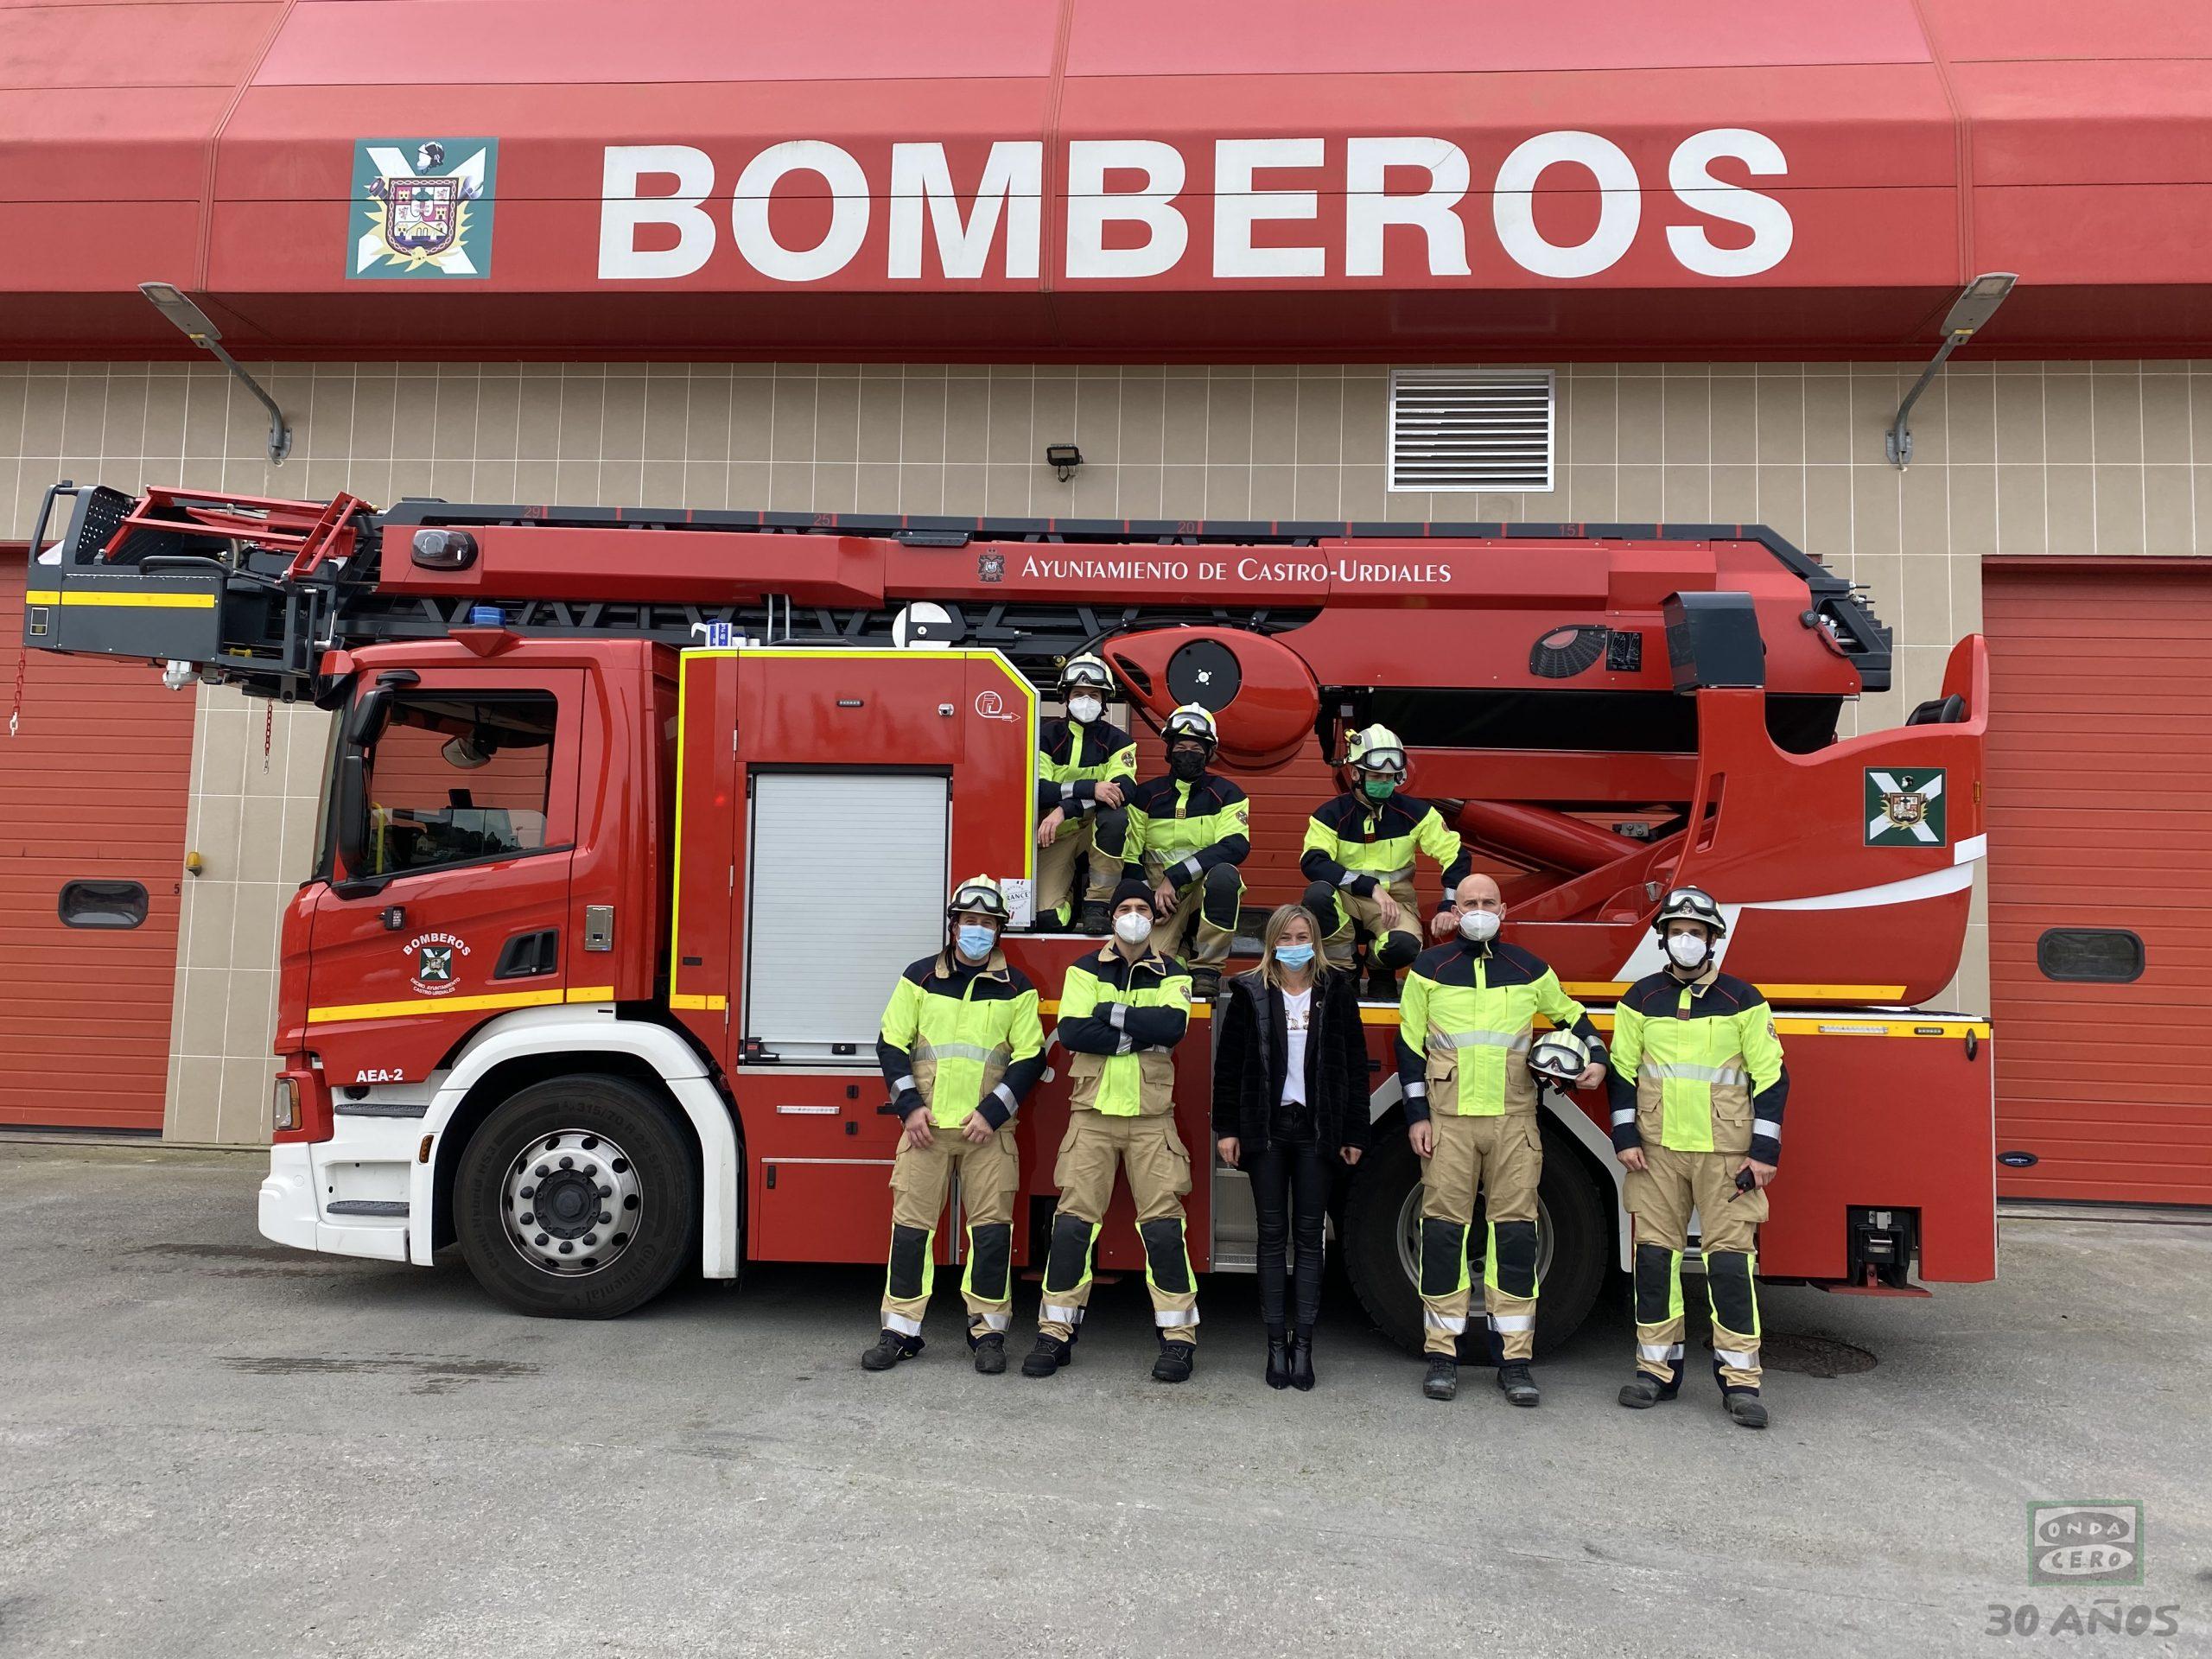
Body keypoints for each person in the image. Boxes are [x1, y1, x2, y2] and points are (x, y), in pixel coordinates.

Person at [1396, 873, 1607, 1407]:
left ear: (1504, 910)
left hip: (1515, 1122)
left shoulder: (1530, 968)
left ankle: (1514, 1360)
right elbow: (1409, 1048)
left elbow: (1575, 1017)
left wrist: (1598, 1060)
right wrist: (1417, 1116)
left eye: (1488, 902)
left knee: (1515, 1236)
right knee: (1442, 1233)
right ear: (1454, 911)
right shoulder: (1428, 969)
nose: (1479, 910)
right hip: (1448, 1122)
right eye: (1469, 902)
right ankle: (1442, 1355)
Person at [1608, 886, 1788, 1429]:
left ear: (1712, 940)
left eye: (1696, 932)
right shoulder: (1640, 998)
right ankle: (1655, 1372)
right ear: (1663, 939)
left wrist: (1764, 1151)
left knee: (1731, 1265)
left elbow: (1771, 1076)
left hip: (1727, 1157)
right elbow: (1621, 1071)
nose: (1686, 940)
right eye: (1677, 931)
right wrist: (1625, 1137)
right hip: (1656, 1154)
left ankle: (1741, 1382)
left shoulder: (1744, 1000)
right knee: (1654, 1261)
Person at [861, 875, 1046, 1376]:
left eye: (987, 922)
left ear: (999, 929)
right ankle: (900, 1332)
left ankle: (988, 1333)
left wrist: (993, 1112)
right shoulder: (918, 977)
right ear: (954, 925)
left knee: (991, 1234)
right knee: (911, 1232)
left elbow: (1031, 1057)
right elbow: (891, 1043)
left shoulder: (1017, 987)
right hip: (925, 1130)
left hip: (989, 1133)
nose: (978, 929)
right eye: (969, 920)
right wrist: (909, 1107)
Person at [1024, 879, 1200, 1383]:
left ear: (1154, 916)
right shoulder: (1083, 969)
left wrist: (1110, 1014)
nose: (1134, 915)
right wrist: (1135, 1031)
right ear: (1113, 916)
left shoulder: (1173, 971)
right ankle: (1054, 1333)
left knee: (1164, 1229)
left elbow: (1172, 1028)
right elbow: (1074, 1032)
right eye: (1125, 907)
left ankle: (1178, 1339)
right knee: (1073, 1226)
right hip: (1092, 1118)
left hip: (1151, 1121)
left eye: (1143, 907)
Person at [1211, 904, 1369, 1389]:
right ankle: (1275, 1345)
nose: (1295, 945)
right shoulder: (1249, 991)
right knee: (1271, 1236)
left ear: (1315, 942)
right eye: (1286, 937)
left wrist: (1354, 1133)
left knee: (1309, 1237)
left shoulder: (1336, 991)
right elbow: (1228, 1066)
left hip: (1317, 1130)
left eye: (1303, 936)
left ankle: (1304, 1347)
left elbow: (1354, 1065)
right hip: (1267, 1130)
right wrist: (1228, 1130)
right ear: (1272, 942)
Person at [1300, 722, 1470, 1000]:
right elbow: (1313, 861)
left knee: (1404, 947)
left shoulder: (1417, 813)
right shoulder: (1330, 815)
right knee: (1317, 895)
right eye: (1377, 776)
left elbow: (1456, 854)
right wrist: (1370, 887)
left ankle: (1379, 969)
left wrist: (1449, 906)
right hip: (1346, 899)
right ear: (1356, 773)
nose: (1384, 783)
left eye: (1390, 777)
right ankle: (1345, 970)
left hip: (1395, 903)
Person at [1122, 702, 1250, 1000]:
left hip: (1201, 884)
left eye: (1196, 748)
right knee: (1152, 969)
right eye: (1181, 747)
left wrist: (1176, 876)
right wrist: (1145, 899)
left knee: (1225, 877)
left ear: (1209, 752)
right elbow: (1131, 855)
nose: (1188, 753)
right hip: (1158, 894)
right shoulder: (1146, 795)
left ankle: (1207, 969)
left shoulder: (1228, 794)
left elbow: (1235, 845)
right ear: (1169, 750)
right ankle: (1182, 953)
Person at [1034, 653, 1138, 932]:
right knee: (1050, 920)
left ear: (1104, 701)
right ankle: (1072, 900)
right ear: (1065, 697)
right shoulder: (1044, 736)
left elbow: (1123, 792)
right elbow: (1038, 791)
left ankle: (1098, 904)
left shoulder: (1119, 741)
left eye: (1094, 694)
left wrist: (1065, 806)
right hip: (1055, 835)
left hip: (1095, 830)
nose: (1086, 701)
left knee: (1115, 816)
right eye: (1078, 694)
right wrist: (1091, 788)